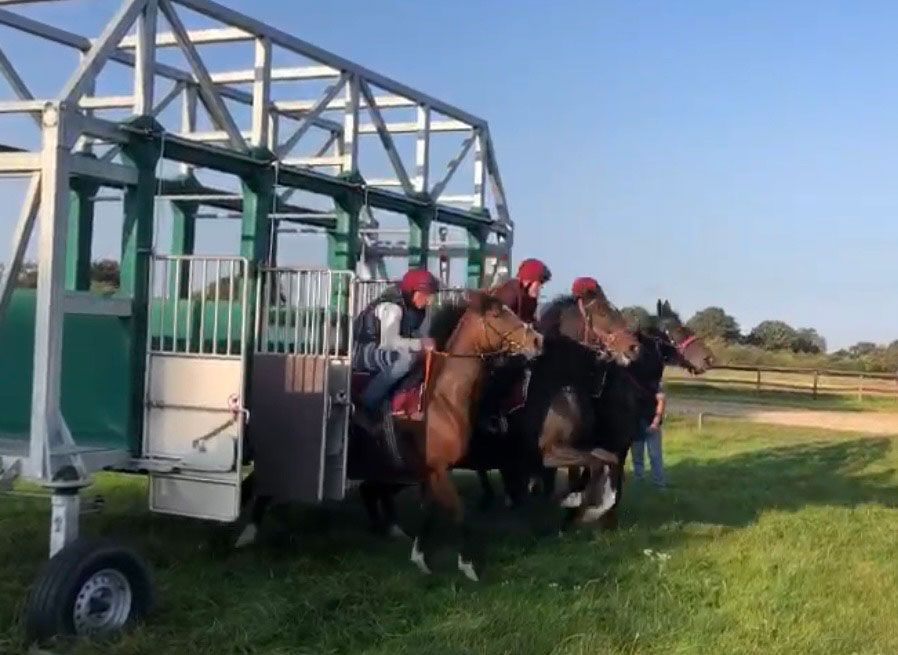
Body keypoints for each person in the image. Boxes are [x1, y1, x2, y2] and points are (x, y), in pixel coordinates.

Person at [352, 268, 439, 430]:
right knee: (405, 359)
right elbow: (389, 342)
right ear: (412, 291)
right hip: (362, 351)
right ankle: (365, 404)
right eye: (426, 294)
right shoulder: (392, 308)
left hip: (381, 349)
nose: (429, 301)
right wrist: (421, 344)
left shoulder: (417, 309)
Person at [491, 258, 552, 322]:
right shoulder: (510, 296)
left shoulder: (531, 300)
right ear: (528, 281)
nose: (542, 287)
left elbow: (530, 323)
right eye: (540, 282)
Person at [631, 382, 667, 487]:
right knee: (637, 454)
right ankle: (639, 481)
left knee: (655, 455)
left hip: (650, 421)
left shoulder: (655, 382)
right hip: (636, 423)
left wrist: (656, 420)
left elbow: (661, 401)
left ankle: (658, 483)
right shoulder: (632, 378)